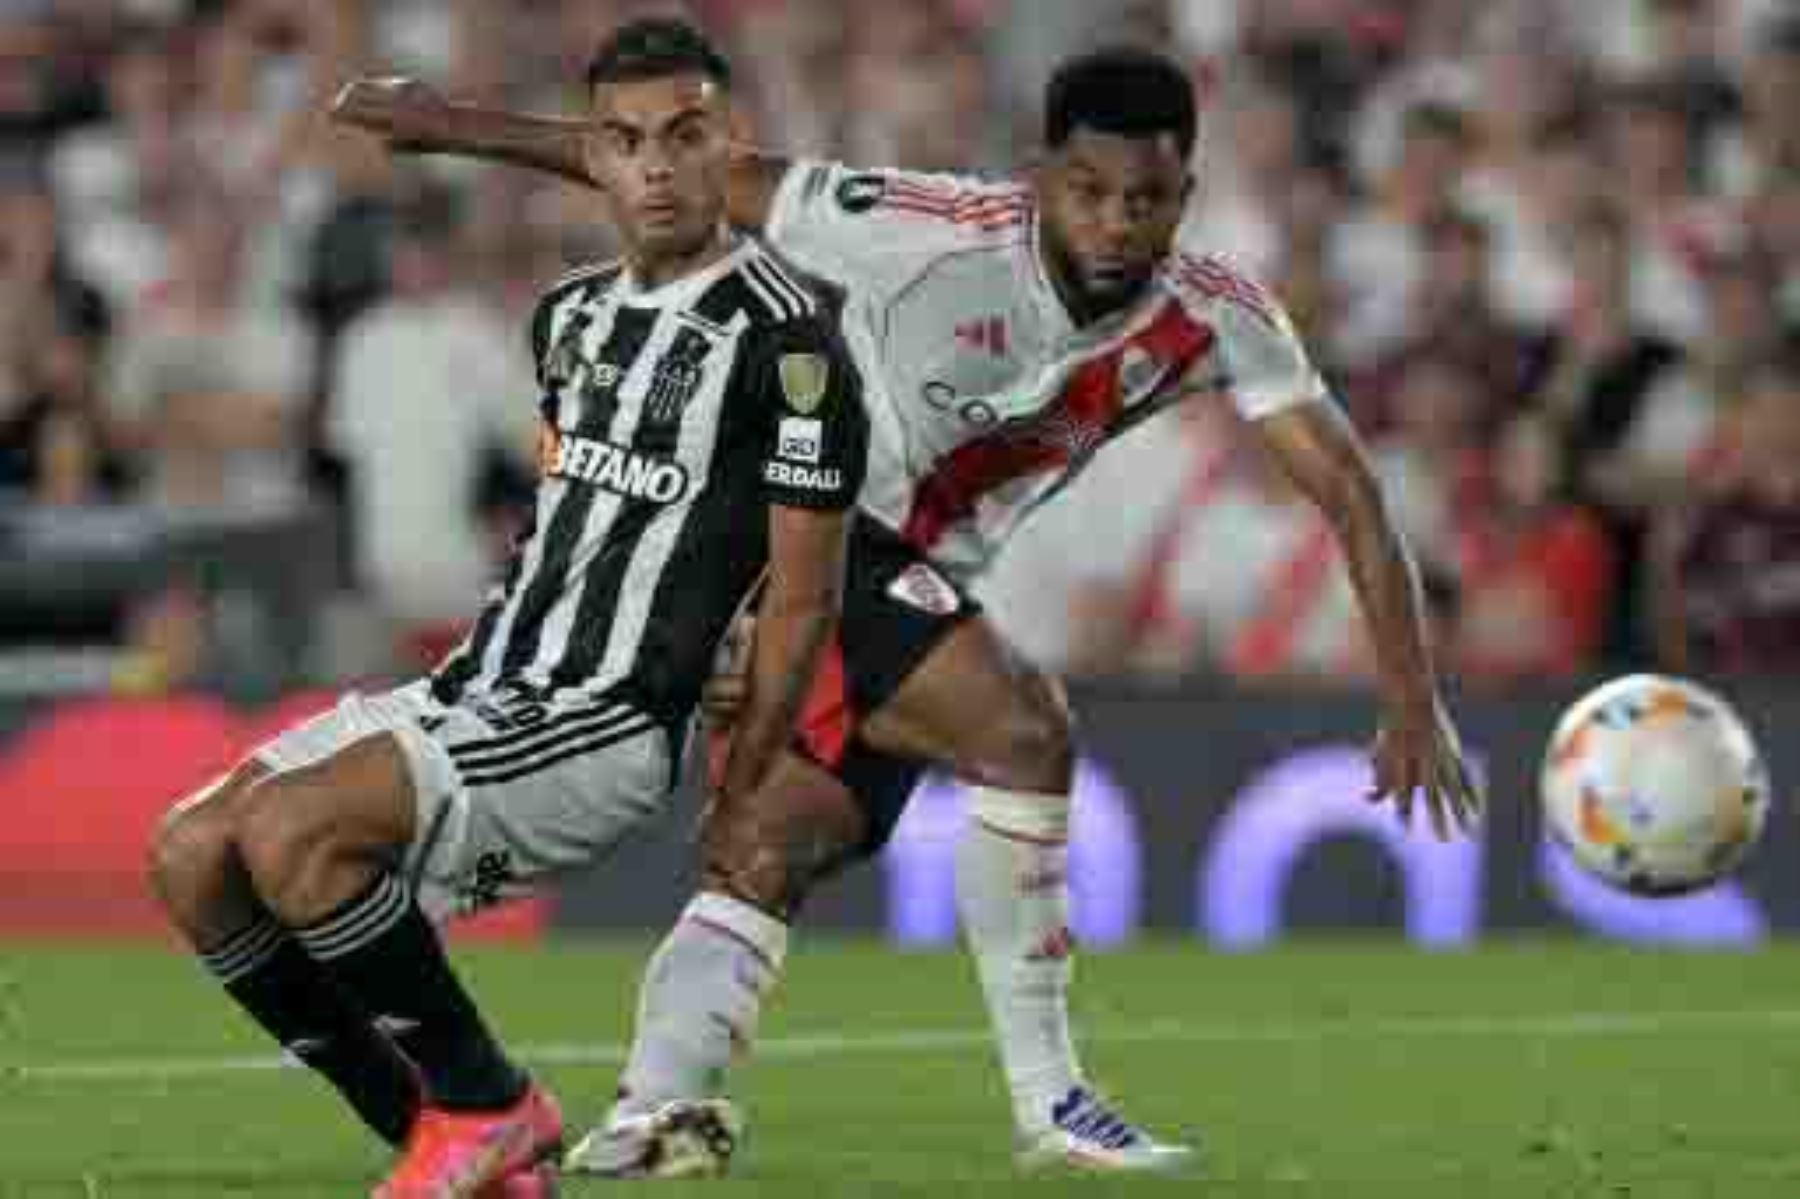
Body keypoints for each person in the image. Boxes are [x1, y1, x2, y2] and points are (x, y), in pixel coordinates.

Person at [334, 27, 1482, 1178]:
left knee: (774, 844)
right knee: (1025, 730)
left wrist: (1412, 698)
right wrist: (445, 125)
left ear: (1188, 192)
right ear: (1042, 177)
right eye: (1089, 192)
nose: (1118, 224)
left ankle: (646, 1112)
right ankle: (1054, 1102)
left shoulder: (1218, 313)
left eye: (1149, 199)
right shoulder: (919, 225)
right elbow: (684, 169)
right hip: (804, 530)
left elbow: (1352, 493)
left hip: (906, 577)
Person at [149, 21, 869, 1197]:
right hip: (478, 686)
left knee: (293, 833)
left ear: (727, 141)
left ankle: (489, 1102)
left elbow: (804, 590)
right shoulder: (570, 315)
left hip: (608, 717)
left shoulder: (790, 342)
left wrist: (742, 792)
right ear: (593, 154)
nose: (655, 166)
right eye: (625, 140)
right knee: (192, 855)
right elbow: (571, 518)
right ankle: (464, 1147)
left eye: (685, 137)